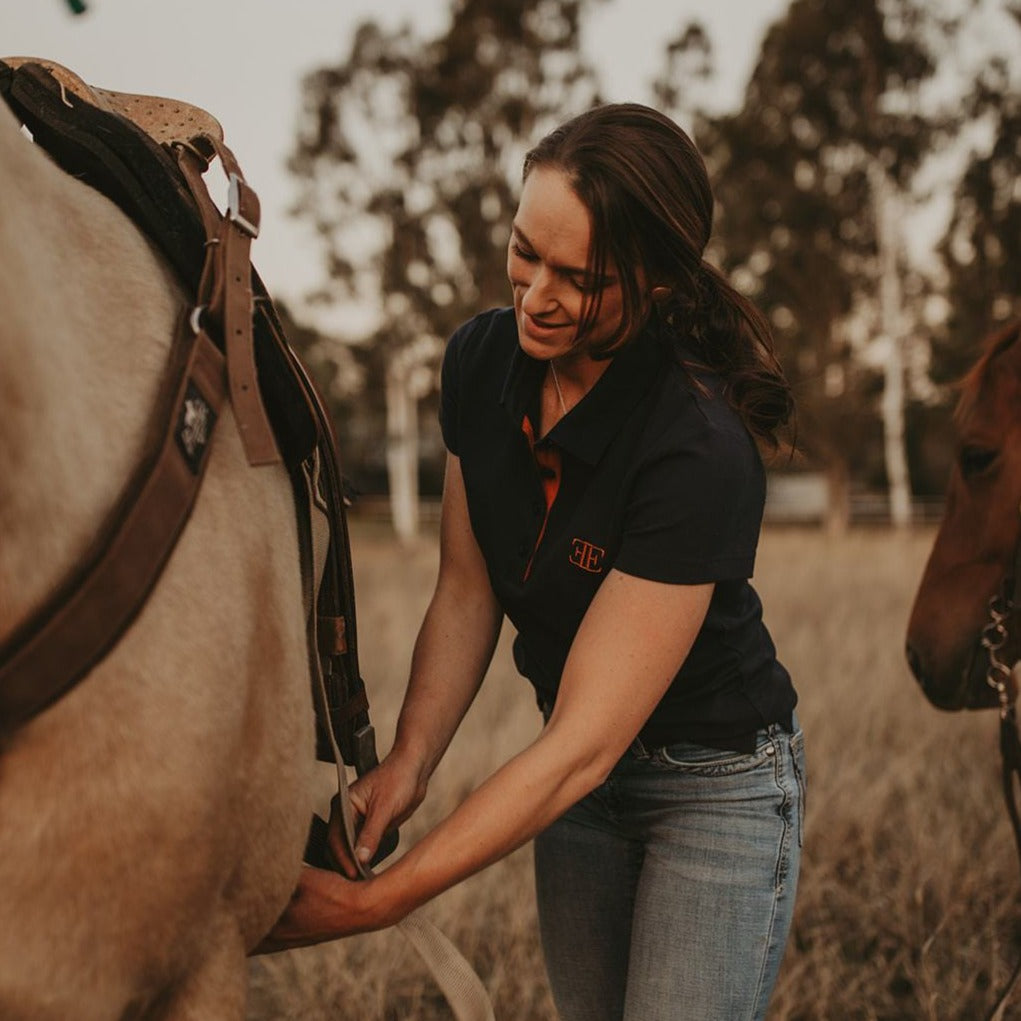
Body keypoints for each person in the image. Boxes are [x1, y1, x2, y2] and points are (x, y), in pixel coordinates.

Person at [264, 102, 805, 1021]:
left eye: (577, 277)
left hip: (713, 788)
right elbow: (468, 590)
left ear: (658, 282)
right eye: (525, 252)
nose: (535, 295)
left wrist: (377, 900)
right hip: (581, 793)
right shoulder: (481, 360)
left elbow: (581, 745)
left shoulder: (697, 444)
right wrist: (410, 759)